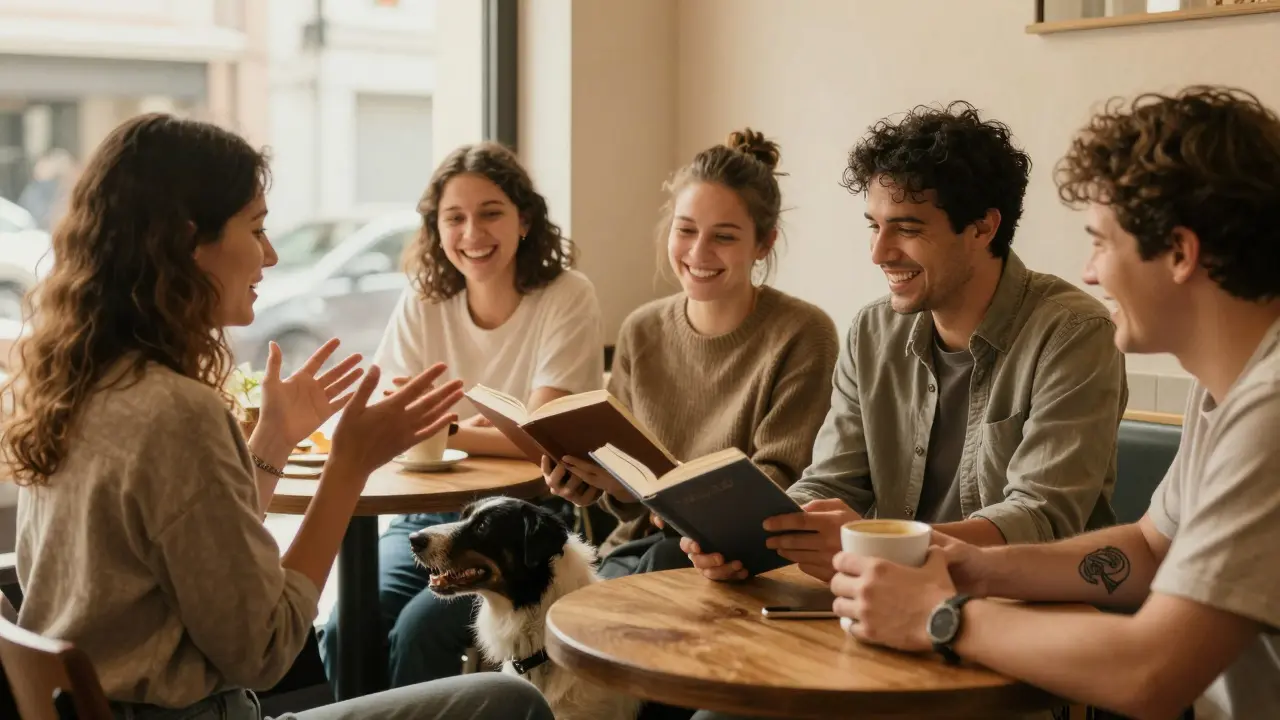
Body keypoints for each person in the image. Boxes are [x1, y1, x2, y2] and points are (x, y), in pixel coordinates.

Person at [3, 113, 553, 720]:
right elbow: (264, 650)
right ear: (188, 242)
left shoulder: (77, 382)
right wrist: (348, 466)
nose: (269, 254)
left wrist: (272, 443)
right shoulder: (176, 411)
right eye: (257, 228)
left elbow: (200, 559)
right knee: (509, 700)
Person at [828, 86, 1280, 720]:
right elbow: (1150, 551)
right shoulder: (1229, 388)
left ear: (1180, 252)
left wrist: (942, 616)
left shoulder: (1271, 412)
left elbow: (1152, 673)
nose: (1090, 273)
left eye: (1100, 242)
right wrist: (972, 568)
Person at [684, 102, 1128, 586]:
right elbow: (832, 483)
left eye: (908, 228)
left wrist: (875, 542)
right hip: (891, 600)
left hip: (1027, 604)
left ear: (983, 227)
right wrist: (750, 537)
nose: (878, 253)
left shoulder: (1073, 332)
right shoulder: (871, 333)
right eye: (875, 226)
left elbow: (1042, 520)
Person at [320, 142, 605, 686]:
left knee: (418, 630)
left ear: (524, 219)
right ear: (436, 230)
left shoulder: (566, 295)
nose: (472, 234)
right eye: (455, 218)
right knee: (347, 625)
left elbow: (541, 436)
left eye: (491, 213)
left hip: (521, 525)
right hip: (426, 516)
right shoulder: (424, 301)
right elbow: (389, 417)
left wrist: (445, 429)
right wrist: (476, 431)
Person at [542, 128, 839, 579]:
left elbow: (780, 482)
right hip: (637, 549)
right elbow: (625, 482)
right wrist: (593, 482)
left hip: (731, 559)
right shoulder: (642, 329)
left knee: (648, 571)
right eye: (686, 230)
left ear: (764, 243)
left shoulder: (803, 333)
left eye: (724, 236)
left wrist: (678, 501)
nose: (699, 252)